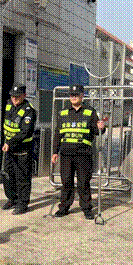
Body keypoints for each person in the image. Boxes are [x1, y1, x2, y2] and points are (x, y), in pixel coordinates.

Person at [51, 84, 107, 219]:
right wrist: (55, 152)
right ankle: (64, 207)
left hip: (83, 154)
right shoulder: (63, 112)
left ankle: (87, 208)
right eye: (72, 95)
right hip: (66, 154)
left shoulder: (90, 112)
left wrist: (102, 127)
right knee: (66, 182)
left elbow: (97, 131)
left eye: (76, 95)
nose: (74, 97)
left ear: (82, 96)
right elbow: (58, 134)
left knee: (83, 182)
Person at [1, 85, 37, 214]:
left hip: (23, 150)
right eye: (12, 96)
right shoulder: (8, 105)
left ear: (24, 96)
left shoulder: (29, 110)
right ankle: (12, 199)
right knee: (7, 176)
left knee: (22, 178)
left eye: (17, 96)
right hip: (9, 149)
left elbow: (25, 132)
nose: (14, 99)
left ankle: (22, 204)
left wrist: (9, 142)